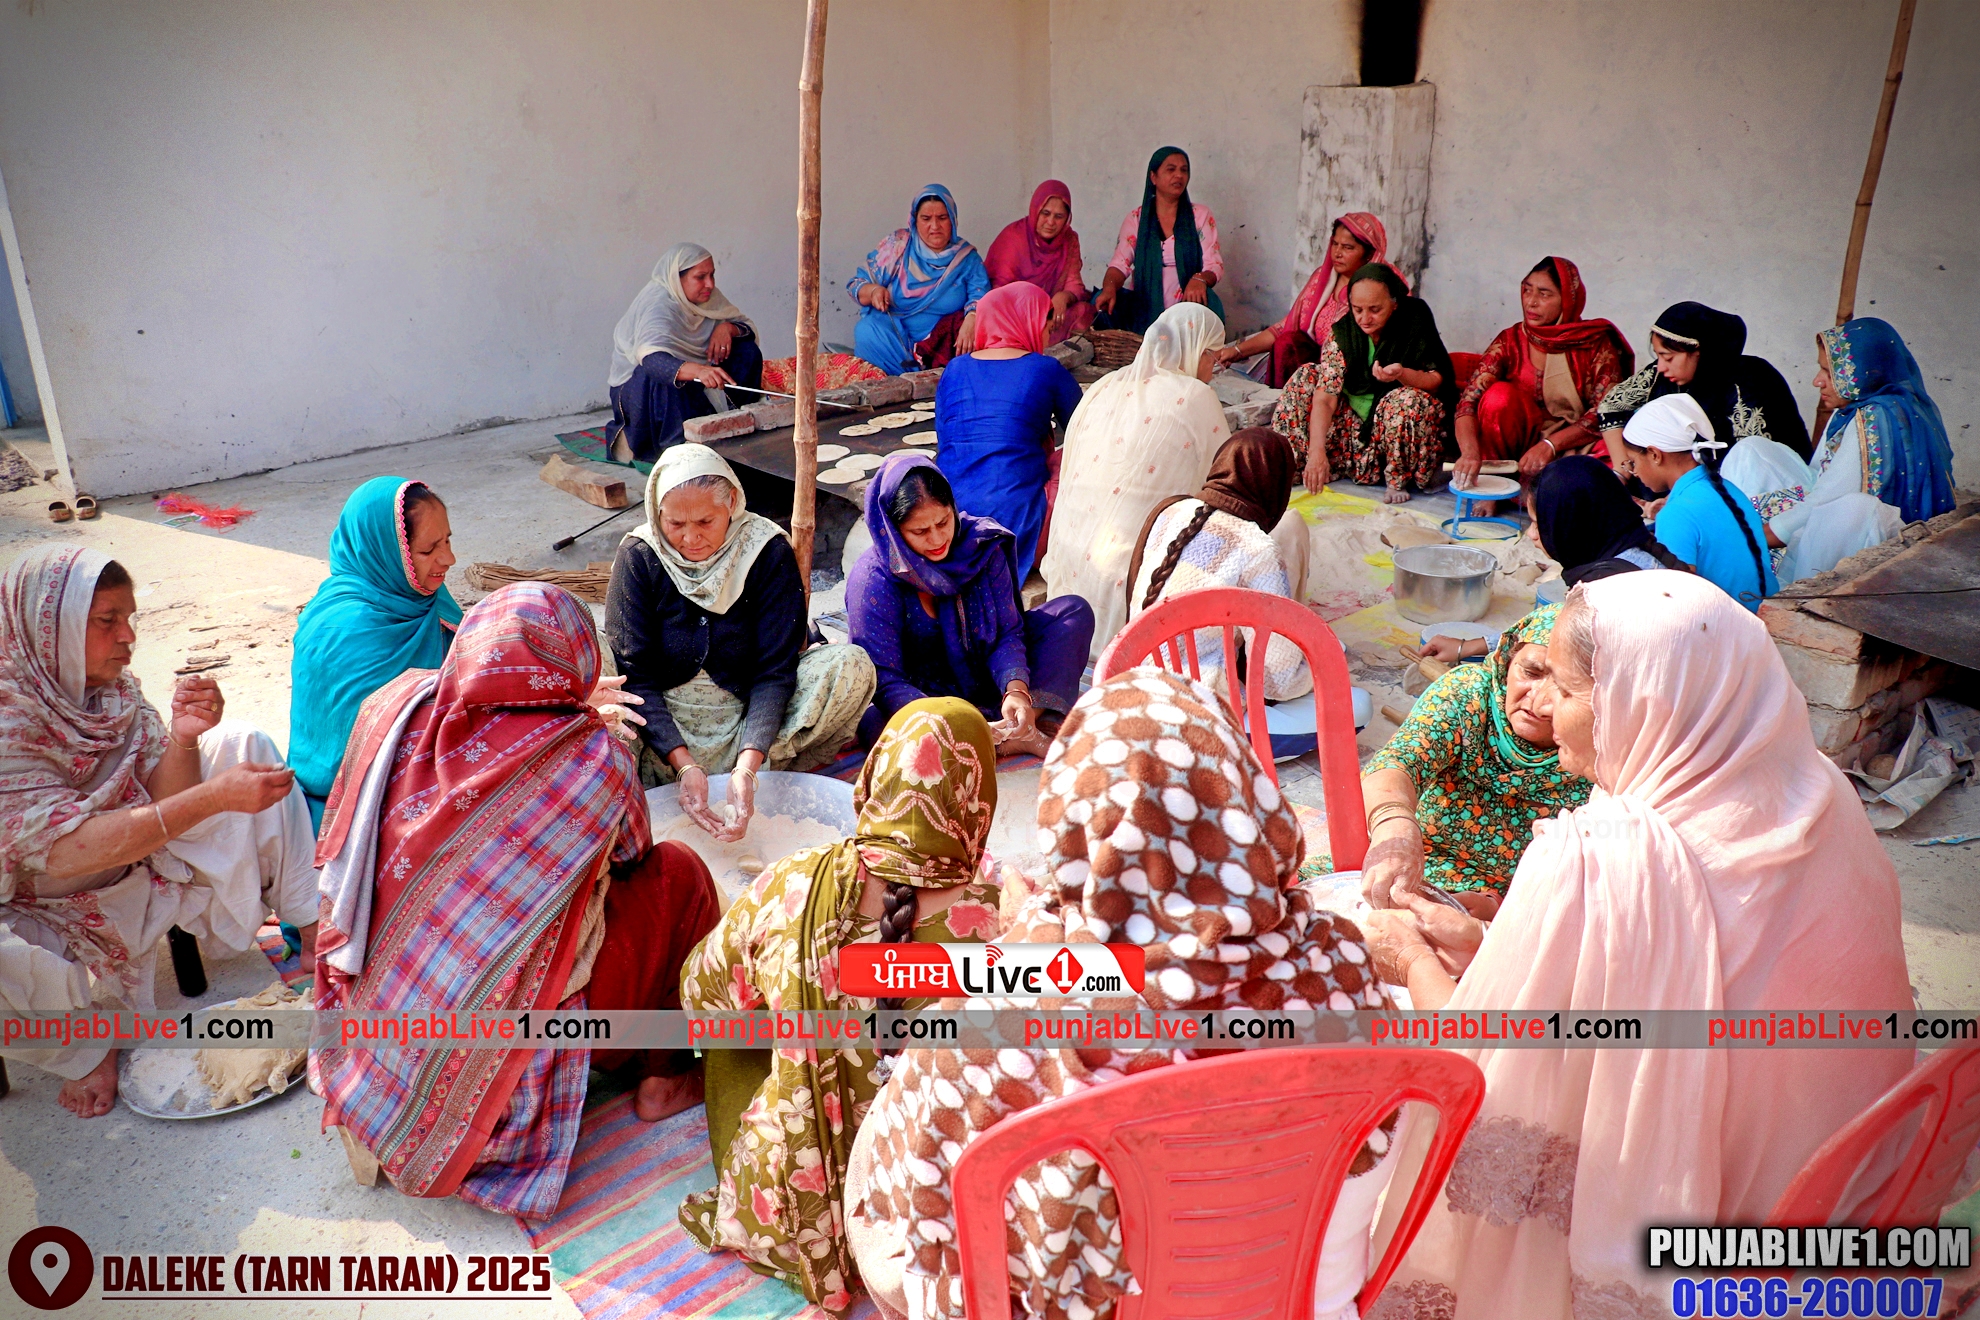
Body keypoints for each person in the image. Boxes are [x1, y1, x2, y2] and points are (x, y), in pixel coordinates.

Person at [1362, 572, 1913, 1319]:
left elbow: (1481, 1068)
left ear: (1636, 701)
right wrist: (1492, 943)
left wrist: (1412, 959)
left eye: (1567, 687)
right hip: (1845, 1202)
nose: (1549, 708)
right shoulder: (1824, 795)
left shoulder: (1599, 859)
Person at [846, 669, 1396, 1320]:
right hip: (1304, 1300)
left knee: (887, 1149)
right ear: (1249, 799)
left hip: (1113, 1305)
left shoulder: (998, 1015)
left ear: (1072, 823)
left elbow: (919, 1203)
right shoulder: (1342, 964)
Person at [311, 583, 722, 1218]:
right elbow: (632, 853)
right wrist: (584, 725)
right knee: (680, 873)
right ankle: (663, 1076)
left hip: (382, 1039)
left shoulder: (393, 705)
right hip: (509, 1066)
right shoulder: (592, 758)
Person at [675, 698, 1005, 1316]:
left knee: (738, 1022)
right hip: (934, 1207)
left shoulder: (796, 884)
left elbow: (701, 993)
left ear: (874, 780)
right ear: (978, 800)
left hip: (796, 1203)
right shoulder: (1007, 917)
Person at [1, 546, 317, 1118]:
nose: (128, 636)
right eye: (107, 621)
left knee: (244, 744)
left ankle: (315, 932)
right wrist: (214, 798)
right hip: (32, 904)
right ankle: (80, 1051)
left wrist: (185, 739)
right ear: (49, 630)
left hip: (135, 866)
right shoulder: (8, 717)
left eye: (129, 618)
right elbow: (63, 852)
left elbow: (159, 798)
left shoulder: (111, 692)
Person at [605, 444, 874, 842]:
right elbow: (635, 675)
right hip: (658, 734)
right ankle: (651, 779)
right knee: (596, 680)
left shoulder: (766, 551)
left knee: (851, 665)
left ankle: (757, 774)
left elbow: (775, 671)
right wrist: (683, 763)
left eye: (705, 521)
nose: (690, 537)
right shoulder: (640, 555)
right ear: (655, 513)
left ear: (731, 502)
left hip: (750, 722)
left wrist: (748, 765)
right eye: (675, 523)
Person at [848, 455, 1094, 759]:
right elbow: (884, 678)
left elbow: (1007, 632)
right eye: (920, 531)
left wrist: (1016, 690)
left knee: (1071, 614)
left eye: (943, 522)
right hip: (927, 700)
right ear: (894, 530)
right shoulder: (873, 581)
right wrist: (955, 722)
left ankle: (1017, 722)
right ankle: (999, 735)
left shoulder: (980, 547)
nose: (937, 539)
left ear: (953, 507)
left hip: (989, 679)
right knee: (881, 725)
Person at [1360, 604, 1591, 912]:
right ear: (1507, 660)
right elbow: (1397, 763)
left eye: (1564, 687)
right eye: (1530, 673)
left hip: (1526, 906)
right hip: (1415, 864)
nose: (1539, 701)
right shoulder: (1470, 695)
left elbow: (1597, 882)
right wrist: (1394, 827)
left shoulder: (1602, 747)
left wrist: (1493, 912)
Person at [1040, 301, 1229, 648]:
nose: (1213, 370)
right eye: (1213, 357)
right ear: (1195, 349)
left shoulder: (1103, 385)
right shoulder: (1195, 396)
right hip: (1133, 575)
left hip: (1072, 568)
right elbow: (1225, 479)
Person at [290, 476, 460, 829]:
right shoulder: (344, 629)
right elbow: (351, 758)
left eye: (447, 541)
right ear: (385, 552)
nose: (449, 559)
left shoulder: (423, 598)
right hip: (352, 809)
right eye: (428, 550)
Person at [1125, 428, 1314, 699]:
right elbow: (1278, 683)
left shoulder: (1169, 509)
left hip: (1134, 678)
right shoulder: (1258, 549)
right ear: (1276, 486)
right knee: (1355, 704)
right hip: (1195, 703)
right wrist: (1316, 665)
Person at [1768, 316, 1955, 583]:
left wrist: (1762, 535)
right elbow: (1819, 478)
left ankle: (1792, 585)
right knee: (1754, 451)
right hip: (1833, 509)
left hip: (1882, 542)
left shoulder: (1874, 418)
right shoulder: (1850, 408)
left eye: (1829, 373)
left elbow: (1827, 499)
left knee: (1851, 508)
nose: (1817, 382)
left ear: (1864, 373)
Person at [932, 282, 1084, 581]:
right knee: (1076, 458)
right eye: (1045, 324)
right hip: (1017, 525)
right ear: (1028, 322)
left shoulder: (954, 369)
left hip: (950, 523)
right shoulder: (1046, 368)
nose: (1047, 335)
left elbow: (946, 440)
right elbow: (1085, 431)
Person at [1268, 263, 1456, 504]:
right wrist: (1317, 451)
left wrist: (1401, 374)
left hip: (1396, 434)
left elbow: (1436, 379)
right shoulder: (1344, 333)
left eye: (1375, 310)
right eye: (1357, 309)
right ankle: (1298, 464)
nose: (1364, 319)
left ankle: (1397, 480)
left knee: (1406, 401)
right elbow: (1326, 397)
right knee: (1306, 376)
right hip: (1353, 436)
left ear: (1394, 303)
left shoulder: (1414, 320)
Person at [1453, 257, 1633, 486]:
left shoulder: (1596, 344)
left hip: (1573, 445)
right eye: (1527, 291)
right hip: (1518, 451)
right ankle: (1497, 484)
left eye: (1544, 294)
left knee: (1618, 453)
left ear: (1567, 300)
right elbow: (1468, 403)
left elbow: (1605, 411)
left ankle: (1545, 491)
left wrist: (1551, 445)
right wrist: (1470, 453)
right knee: (1498, 397)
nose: (1531, 302)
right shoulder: (1510, 341)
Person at [606, 243, 763, 464]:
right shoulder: (659, 305)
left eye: (712, 275)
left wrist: (727, 328)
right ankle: (675, 451)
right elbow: (652, 360)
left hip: (695, 382)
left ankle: (737, 422)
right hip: (643, 392)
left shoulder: (710, 298)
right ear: (676, 279)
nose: (710, 284)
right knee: (668, 378)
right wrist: (699, 371)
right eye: (700, 277)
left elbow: (746, 328)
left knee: (746, 350)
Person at [1618, 394, 1775, 611]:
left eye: (1632, 462)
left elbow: (1678, 601)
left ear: (1654, 454)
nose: (1633, 472)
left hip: (1731, 623)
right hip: (1766, 609)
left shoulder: (1676, 514)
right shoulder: (1728, 489)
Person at [1594, 301, 1809, 460]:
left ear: (1700, 352)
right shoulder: (1661, 376)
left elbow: (1751, 459)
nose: (1661, 367)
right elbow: (1610, 407)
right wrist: (1623, 471)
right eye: (1658, 356)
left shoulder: (1749, 380)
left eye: (1668, 357)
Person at [1217, 211, 1401, 387]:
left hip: (1360, 372)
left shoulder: (1385, 286)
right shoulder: (1322, 279)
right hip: (1314, 368)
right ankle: (1282, 401)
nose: (1337, 253)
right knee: (1287, 343)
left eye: (1347, 248)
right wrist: (1236, 351)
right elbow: (1285, 327)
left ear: (1369, 254)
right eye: (1335, 244)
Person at [849, 185, 990, 375]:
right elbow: (856, 285)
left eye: (942, 218)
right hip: (892, 339)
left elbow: (982, 296)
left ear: (953, 219)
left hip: (940, 346)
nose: (935, 226)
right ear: (914, 221)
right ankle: (908, 378)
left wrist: (972, 317)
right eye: (926, 218)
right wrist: (873, 291)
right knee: (866, 331)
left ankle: (922, 377)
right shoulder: (898, 246)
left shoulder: (966, 258)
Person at [1093, 146, 1224, 333]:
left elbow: (1214, 264)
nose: (1179, 175)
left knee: (1211, 304)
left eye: (1184, 170)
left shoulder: (1200, 215)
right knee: (1101, 302)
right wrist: (1109, 288)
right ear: (1153, 177)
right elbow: (1120, 264)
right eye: (1171, 169)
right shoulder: (1137, 219)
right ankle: (1137, 341)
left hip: (1186, 305)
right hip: (1143, 304)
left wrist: (1199, 279)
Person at [1528, 455, 1688, 585]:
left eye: (1537, 524)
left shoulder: (1604, 589)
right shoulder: (1643, 548)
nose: (1530, 534)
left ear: (1571, 526)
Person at [982, 179, 1095, 345]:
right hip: (1017, 317)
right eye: (1045, 213)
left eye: (1059, 216)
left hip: (1051, 317)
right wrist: (1038, 310)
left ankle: (1056, 352)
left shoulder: (1069, 239)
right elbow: (999, 292)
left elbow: (1075, 285)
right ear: (1035, 210)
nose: (1051, 222)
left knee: (1083, 311)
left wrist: (1062, 298)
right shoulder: (1014, 238)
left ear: (1067, 218)